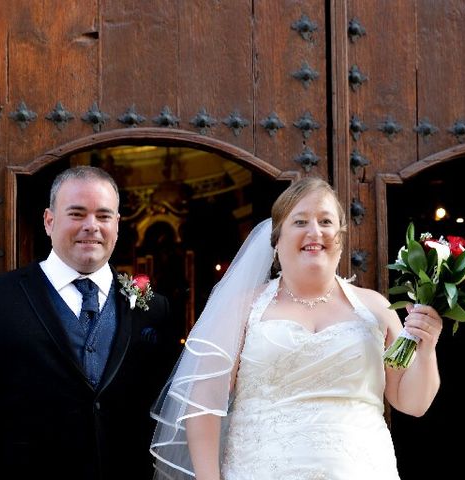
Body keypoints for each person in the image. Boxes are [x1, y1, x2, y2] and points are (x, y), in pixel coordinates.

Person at [150, 176, 442, 479]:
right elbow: (204, 403)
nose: (315, 231)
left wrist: (428, 348)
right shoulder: (242, 309)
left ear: (340, 238)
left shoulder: (377, 309)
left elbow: (412, 403)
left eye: (326, 221)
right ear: (276, 241)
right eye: (300, 222)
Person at [0, 166, 173, 480]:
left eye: (103, 216)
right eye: (76, 214)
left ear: (117, 224)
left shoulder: (153, 308)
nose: (92, 226)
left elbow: (166, 417)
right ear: (49, 221)